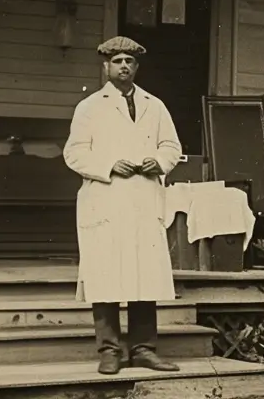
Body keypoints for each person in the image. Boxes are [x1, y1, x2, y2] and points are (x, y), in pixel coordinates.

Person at [63, 36, 183, 375]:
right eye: (117, 61)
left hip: (143, 199)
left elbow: (171, 147)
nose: (124, 66)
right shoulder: (89, 107)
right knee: (106, 276)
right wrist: (109, 165)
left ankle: (144, 349)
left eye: (129, 61)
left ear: (137, 67)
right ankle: (110, 350)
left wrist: (157, 161)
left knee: (143, 275)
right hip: (106, 199)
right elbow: (74, 153)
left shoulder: (154, 105)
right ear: (105, 67)